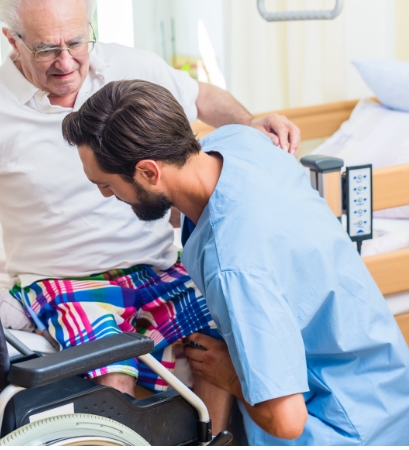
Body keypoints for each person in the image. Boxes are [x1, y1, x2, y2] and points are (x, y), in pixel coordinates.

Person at [0, 0, 298, 432]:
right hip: (64, 278)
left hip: (157, 266)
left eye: (76, 41)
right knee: (115, 367)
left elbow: (200, 96)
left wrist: (251, 122)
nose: (67, 61)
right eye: (46, 49)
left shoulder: (128, 66)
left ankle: (212, 441)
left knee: (216, 335)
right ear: (12, 41)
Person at [62, 78, 409, 444]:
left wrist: (230, 376)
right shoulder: (238, 142)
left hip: (347, 429)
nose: (104, 194)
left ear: (149, 172)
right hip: (389, 389)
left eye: (107, 184)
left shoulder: (235, 267)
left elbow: (287, 421)